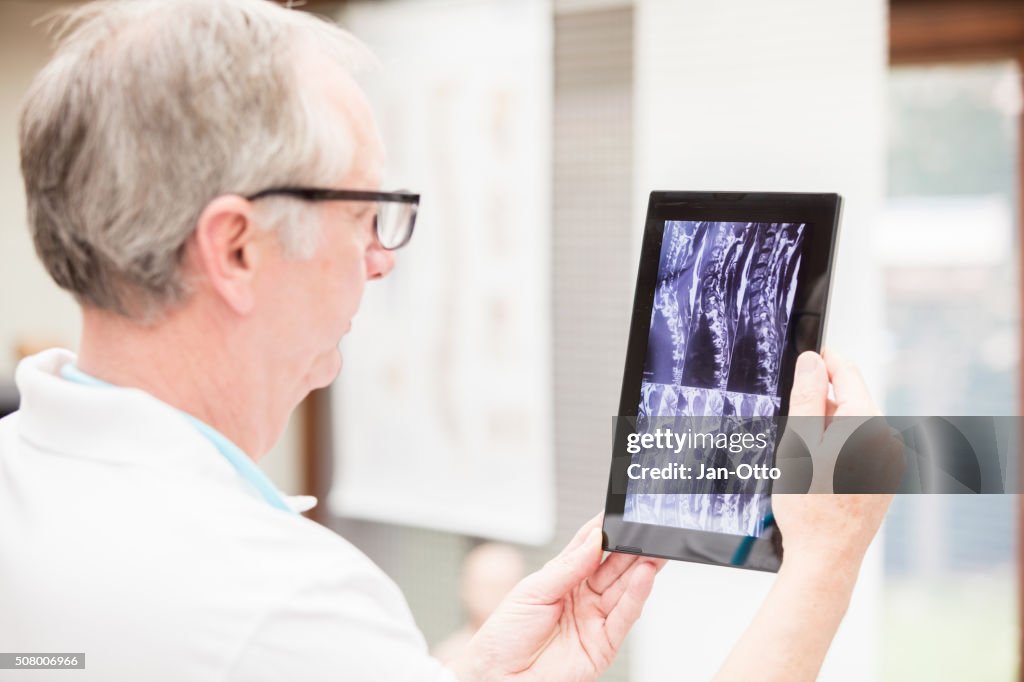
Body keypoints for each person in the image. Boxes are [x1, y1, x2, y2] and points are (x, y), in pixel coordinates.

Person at [0, 1, 892, 680]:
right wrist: (824, 565)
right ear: (237, 248)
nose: (382, 261)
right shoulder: (279, 604)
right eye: (366, 214)